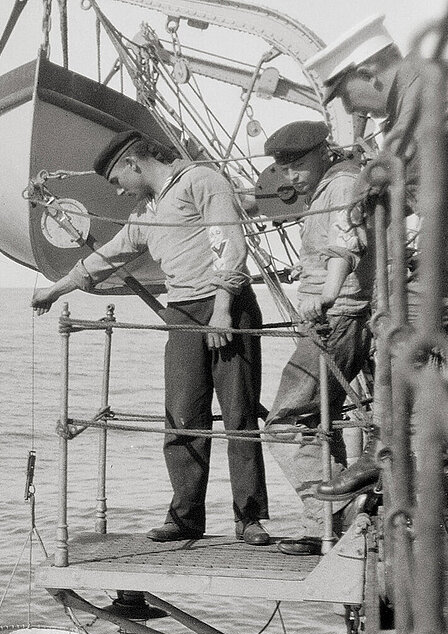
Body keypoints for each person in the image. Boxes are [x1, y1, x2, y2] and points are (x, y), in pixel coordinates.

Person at [31, 130, 269, 545]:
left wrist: (223, 308)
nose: (120, 193)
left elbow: (229, 244)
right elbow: (108, 256)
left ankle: (249, 519)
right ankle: (185, 517)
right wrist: (56, 289)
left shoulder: (202, 181)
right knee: (181, 417)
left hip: (226, 307)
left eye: (118, 182)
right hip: (182, 317)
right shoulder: (147, 214)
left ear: (133, 165)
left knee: (239, 417)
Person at [303, 15, 424, 502]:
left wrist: (360, 187)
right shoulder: (405, 106)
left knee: (400, 323)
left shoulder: (423, 87)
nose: (351, 109)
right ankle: (387, 450)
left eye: (347, 94)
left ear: (371, 72)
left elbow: (393, 168)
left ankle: (389, 452)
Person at [263, 121, 373, 556]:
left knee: (285, 423)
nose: (290, 177)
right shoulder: (330, 185)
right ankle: (325, 520)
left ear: (323, 151)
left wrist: (326, 293)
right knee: (314, 420)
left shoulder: (341, 185)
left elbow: (346, 244)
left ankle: (340, 512)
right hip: (334, 315)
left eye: (297, 165)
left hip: (338, 316)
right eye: (283, 169)